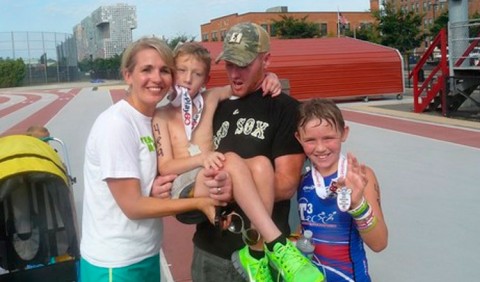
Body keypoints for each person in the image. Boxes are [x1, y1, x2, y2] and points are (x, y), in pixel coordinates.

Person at [80, 37, 231, 282]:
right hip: (115, 263)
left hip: (144, 253)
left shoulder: (148, 120)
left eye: (164, 70)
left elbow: (139, 182)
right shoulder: (116, 125)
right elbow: (133, 206)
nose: (156, 78)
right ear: (128, 75)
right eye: (146, 70)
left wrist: (152, 189)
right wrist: (200, 203)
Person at [192, 22, 324, 282]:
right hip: (209, 250)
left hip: (262, 256)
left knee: (256, 163)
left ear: (266, 60)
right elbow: (196, 154)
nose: (234, 73)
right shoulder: (215, 104)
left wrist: (232, 188)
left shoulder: (285, 109)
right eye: (229, 64)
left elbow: (286, 184)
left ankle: (264, 249)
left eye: (243, 65)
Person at [295, 98, 388, 281]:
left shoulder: (361, 177)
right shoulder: (302, 181)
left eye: (328, 138)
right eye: (310, 140)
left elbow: (379, 243)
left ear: (343, 133)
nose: (320, 148)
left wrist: (358, 205)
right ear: (298, 138)